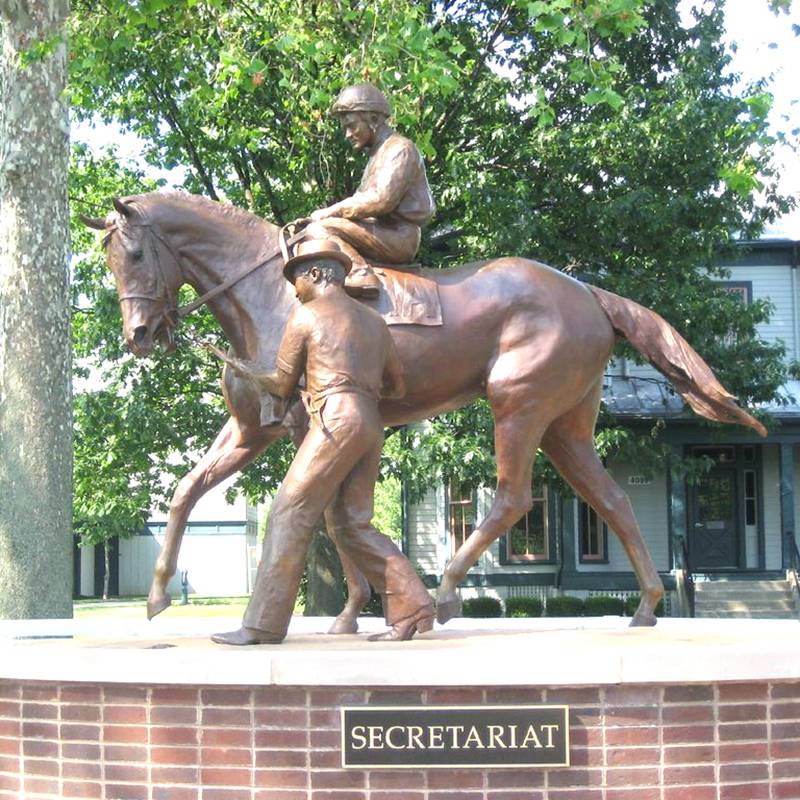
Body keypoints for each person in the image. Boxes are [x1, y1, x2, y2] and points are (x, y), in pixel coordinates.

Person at [210, 238, 435, 645]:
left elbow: (279, 385)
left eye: (296, 280)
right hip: (370, 421)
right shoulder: (375, 324)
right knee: (350, 523)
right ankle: (412, 604)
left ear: (316, 274)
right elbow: (397, 387)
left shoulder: (306, 317)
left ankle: (260, 626)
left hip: (335, 420)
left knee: (288, 511)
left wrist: (241, 367)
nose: (294, 290)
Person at [303, 84, 435, 297]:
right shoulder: (378, 154)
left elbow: (380, 200)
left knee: (320, 230)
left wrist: (330, 212)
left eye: (351, 126)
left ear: (373, 120)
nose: (347, 134)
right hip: (382, 230)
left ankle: (361, 274)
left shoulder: (400, 149)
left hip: (398, 236)